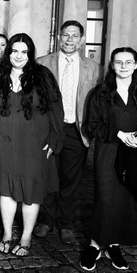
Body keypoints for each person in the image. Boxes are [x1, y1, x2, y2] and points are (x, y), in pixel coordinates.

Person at [0, 33, 63, 257]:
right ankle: (7, 235)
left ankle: (26, 236)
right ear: (8, 53)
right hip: (5, 143)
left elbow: (56, 109)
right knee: (6, 192)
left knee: (31, 193)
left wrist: (54, 141)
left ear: (30, 54)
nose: (18, 56)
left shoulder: (43, 76)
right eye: (14, 51)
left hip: (34, 145)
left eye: (24, 52)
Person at [78, 47, 137, 271]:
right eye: (118, 62)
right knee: (106, 199)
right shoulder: (100, 93)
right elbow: (90, 126)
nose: (123, 66)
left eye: (128, 62)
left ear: (136, 64)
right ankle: (94, 246)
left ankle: (113, 245)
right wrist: (119, 134)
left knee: (128, 200)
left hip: (136, 154)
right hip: (109, 152)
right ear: (112, 65)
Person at [34, 20, 101, 245]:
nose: (69, 40)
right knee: (48, 175)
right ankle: (46, 219)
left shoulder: (93, 67)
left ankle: (66, 224)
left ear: (82, 40)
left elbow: (95, 100)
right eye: (65, 35)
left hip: (76, 129)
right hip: (49, 129)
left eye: (74, 36)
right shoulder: (42, 63)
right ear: (58, 37)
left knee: (71, 180)